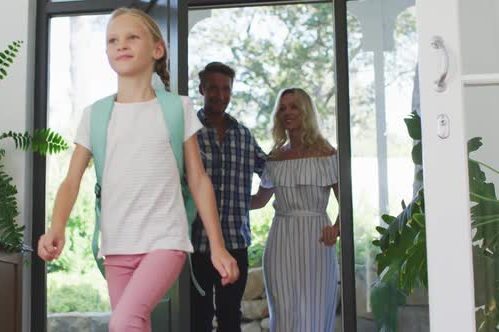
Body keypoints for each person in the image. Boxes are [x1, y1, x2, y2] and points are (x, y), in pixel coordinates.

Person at [36, 8, 239, 332]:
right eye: (112, 40)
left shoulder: (177, 108)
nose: (121, 44)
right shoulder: (96, 114)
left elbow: (199, 180)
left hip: (166, 240)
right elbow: (71, 181)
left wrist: (217, 245)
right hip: (115, 246)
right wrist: (56, 227)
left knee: (123, 323)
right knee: (135, 323)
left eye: (132, 36)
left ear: (156, 49)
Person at [251, 88, 340, 332]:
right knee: (284, 316)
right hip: (281, 242)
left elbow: (346, 203)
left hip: (318, 242)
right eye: (282, 108)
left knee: (316, 313)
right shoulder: (276, 158)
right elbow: (259, 200)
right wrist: (222, 200)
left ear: (306, 112)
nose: (287, 112)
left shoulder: (327, 154)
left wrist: (336, 228)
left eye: (294, 106)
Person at [191, 62, 267, 332]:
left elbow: (268, 169)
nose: (220, 95)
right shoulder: (188, 133)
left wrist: (260, 200)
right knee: (198, 318)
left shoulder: (244, 135)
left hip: (235, 243)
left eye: (226, 89)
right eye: (213, 88)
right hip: (196, 244)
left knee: (230, 317)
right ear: (202, 89)